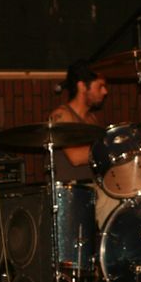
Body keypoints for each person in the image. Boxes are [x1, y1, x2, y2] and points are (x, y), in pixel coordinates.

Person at [47, 60, 117, 227]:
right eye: (100, 86)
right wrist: (114, 147)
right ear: (82, 86)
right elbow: (76, 157)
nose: (105, 91)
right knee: (113, 202)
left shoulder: (92, 119)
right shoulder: (62, 115)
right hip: (72, 191)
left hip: (93, 188)